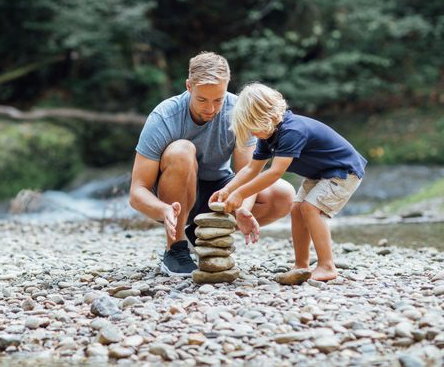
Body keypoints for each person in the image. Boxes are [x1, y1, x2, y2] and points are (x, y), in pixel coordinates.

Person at [129, 52, 295, 277]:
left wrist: (243, 209)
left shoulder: (238, 112)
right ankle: (175, 248)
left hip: (218, 191)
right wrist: (163, 209)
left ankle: (201, 234)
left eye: (218, 99)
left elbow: (249, 173)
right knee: (182, 150)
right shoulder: (164, 117)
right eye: (202, 100)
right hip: (173, 199)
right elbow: (137, 191)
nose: (210, 108)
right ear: (189, 87)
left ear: (227, 87)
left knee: (283, 195)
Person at [212, 82, 367, 282]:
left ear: (266, 118)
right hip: (320, 174)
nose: (251, 133)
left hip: (343, 171)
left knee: (311, 208)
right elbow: (252, 169)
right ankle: (301, 265)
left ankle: (327, 266)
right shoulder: (267, 136)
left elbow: (275, 173)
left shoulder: (292, 131)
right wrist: (228, 189)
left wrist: (240, 194)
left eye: (252, 127)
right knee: (297, 209)